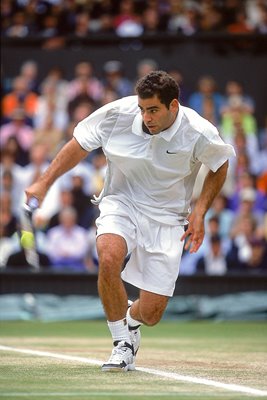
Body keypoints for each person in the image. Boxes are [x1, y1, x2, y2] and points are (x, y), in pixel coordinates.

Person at [24, 71, 235, 372]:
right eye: (142, 109)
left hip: (168, 217)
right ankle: (121, 342)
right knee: (108, 256)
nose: (145, 117)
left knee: (151, 314)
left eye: (153, 110)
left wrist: (199, 212)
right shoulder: (117, 114)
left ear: (173, 106)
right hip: (120, 201)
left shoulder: (198, 131)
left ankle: (132, 322)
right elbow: (78, 145)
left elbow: (220, 164)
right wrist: (44, 183)